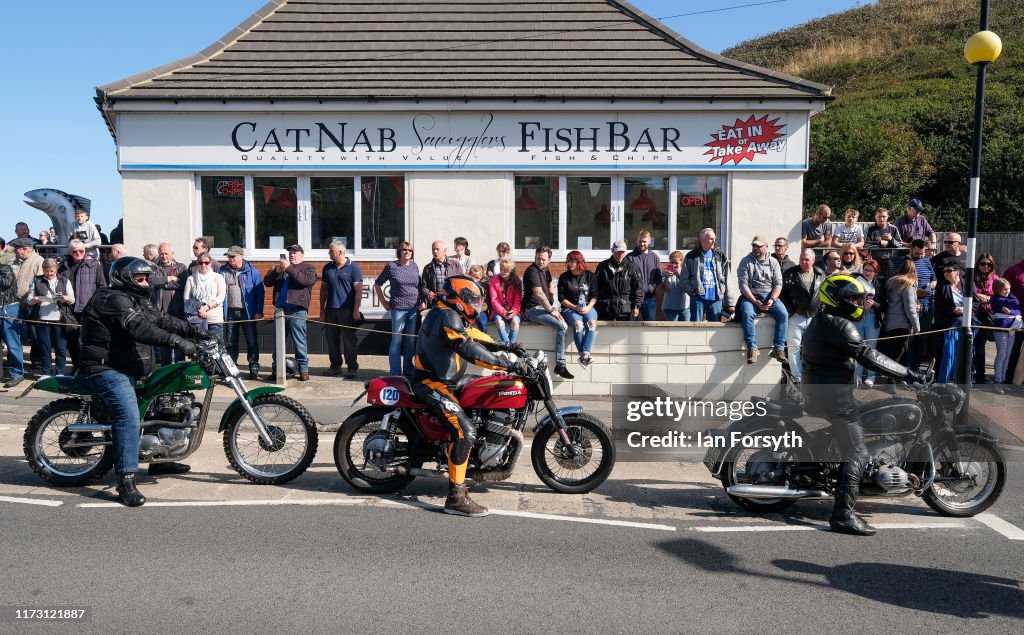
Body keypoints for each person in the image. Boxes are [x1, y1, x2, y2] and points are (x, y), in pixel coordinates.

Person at [802, 274, 926, 535]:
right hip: (835, 397)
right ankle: (843, 515)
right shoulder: (841, 326)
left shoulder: (821, 320)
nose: (860, 303)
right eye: (855, 299)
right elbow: (869, 356)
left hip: (821, 391)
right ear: (838, 300)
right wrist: (910, 374)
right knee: (857, 452)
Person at [79, 257, 204, 506]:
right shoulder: (112, 299)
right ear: (125, 279)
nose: (146, 283)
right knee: (128, 417)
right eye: (140, 279)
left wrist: (197, 331)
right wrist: (178, 342)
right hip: (107, 368)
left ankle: (159, 461)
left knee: (167, 396)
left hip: (129, 367)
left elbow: (162, 319)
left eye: (147, 278)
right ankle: (125, 480)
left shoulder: (136, 299)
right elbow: (139, 328)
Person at [410, 275, 524, 517]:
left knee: (487, 391)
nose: (475, 305)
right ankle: (455, 497)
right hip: (433, 383)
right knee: (465, 431)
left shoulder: (451, 314)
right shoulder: (446, 316)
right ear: (459, 300)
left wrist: (505, 345)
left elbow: (473, 335)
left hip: (450, 380)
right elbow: (468, 348)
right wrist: (502, 362)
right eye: (472, 300)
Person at [264, 244, 317, 381]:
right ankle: (277, 368)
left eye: (295, 252)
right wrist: (277, 270)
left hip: (297, 310)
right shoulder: (282, 269)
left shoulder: (308, 268)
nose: (292, 255)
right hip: (281, 310)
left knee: (299, 340)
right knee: (278, 342)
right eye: (290, 253)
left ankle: (303, 369)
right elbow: (267, 282)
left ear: (302, 255)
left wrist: (288, 268)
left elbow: (303, 281)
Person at [522, 246, 572, 379]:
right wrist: (551, 310)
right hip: (531, 309)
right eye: (538, 258)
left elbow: (551, 287)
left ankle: (560, 365)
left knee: (563, 324)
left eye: (543, 259)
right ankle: (560, 365)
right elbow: (538, 293)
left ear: (549, 260)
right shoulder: (531, 271)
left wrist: (554, 306)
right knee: (562, 326)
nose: (540, 261)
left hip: (544, 307)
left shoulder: (546, 270)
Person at [737, 235, 788, 364]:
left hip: (769, 296)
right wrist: (755, 301)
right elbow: (743, 285)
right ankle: (752, 348)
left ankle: (779, 348)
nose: (756, 248)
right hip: (751, 297)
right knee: (747, 312)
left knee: (783, 314)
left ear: (766, 246)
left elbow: (778, 284)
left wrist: (772, 299)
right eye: (754, 245)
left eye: (759, 246)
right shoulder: (745, 261)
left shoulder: (773, 262)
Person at [58, 239, 106, 369]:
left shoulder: (94, 265)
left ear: (85, 251)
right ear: (70, 252)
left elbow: (102, 287)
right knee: (72, 341)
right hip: (69, 308)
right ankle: (76, 366)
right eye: (75, 251)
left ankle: (88, 366)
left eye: (81, 251)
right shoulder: (63, 266)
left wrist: (96, 306)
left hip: (87, 308)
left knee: (88, 340)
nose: (78, 253)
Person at [375, 241, 420, 377]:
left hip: (413, 308)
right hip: (398, 309)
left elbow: (418, 285)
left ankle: (408, 369)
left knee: (410, 340)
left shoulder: (414, 266)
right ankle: (395, 373)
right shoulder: (392, 266)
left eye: (410, 250)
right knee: (397, 340)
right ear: (399, 252)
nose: (407, 252)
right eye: (404, 250)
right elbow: (378, 284)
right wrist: (384, 302)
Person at [780, 248, 825, 383]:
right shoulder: (789, 274)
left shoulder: (820, 274)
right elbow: (782, 295)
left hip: (814, 317)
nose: (803, 262)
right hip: (796, 316)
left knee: (813, 348)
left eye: (806, 259)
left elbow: (824, 295)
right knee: (794, 349)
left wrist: (820, 312)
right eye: (801, 259)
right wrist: (789, 311)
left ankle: (812, 376)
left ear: (813, 260)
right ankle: (797, 378)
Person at [219, 246, 264, 380]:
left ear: (241, 256)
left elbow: (260, 293)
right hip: (230, 312)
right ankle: (232, 370)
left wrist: (258, 311)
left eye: (233, 256)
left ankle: (254, 367)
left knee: (252, 342)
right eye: (229, 256)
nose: (230, 259)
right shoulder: (222, 270)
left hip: (247, 312)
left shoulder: (252, 271)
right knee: (231, 343)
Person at [321, 241, 363, 378]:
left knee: (349, 340)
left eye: (331, 251)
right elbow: (323, 290)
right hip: (331, 310)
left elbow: (358, 291)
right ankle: (335, 366)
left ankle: (352, 367)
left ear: (340, 252)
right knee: (332, 340)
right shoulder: (327, 268)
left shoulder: (354, 268)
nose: (328, 253)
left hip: (347, 310)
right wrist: (322, 310)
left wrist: (356, 310)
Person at [26, 258, 74, 377]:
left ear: (56, 270)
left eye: (52, 271)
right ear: (43, 270)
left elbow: (73, 299)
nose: (49, 274)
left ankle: (60, 373)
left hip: (60, 319)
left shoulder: (64, 280)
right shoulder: (37, 280)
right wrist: (34, 300)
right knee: (44, 347)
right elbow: (28, 300)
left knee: (61, 348)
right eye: (46, 271)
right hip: (43, 319)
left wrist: (66, 298)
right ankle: (46, 372)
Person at [11, 238, 44, 384]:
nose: (14, 250)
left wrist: (27, 301)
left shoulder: (38, 260)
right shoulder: (15, 261)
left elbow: (41, 283)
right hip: (16, 303)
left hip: (33, 304)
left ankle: (39, 361)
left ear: (25, 248)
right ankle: (22, 361)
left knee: (36, 334)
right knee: (18, 333)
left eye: (17, 248)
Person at [683, 228, 733, 322]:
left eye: (714, 238)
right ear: (702, 240)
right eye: (711, 238)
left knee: (714, 329)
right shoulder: (691, 256)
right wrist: (693, 293)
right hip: (698, 298)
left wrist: (730, 301)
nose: (714, 240)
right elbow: (684, 279)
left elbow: (727, 279)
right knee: (696, 328)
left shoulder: (720, 256)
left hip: (716, 298)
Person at [558, 251, 598, 368]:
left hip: (587, 306)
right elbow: (561, 298)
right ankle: (584, 355)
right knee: (578, 324)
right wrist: (574, 307)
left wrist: (588, 307)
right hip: (570, 308)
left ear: (578, 261)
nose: (569, 263)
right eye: (568, 261)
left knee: (591, 323)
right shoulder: (564, 277)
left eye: (572, 261)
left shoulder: (590, 276)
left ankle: (585, 353)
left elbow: (595, 295)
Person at [877, 259, 920, 367]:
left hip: (890, 322)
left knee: (892, 353)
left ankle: (892, 377)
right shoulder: (908, 285)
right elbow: (910, 308)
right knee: (899, 354)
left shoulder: (892, 282)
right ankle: (893, 379)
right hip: (902, 324)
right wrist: (916, 327)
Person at [903, 239, 936, 371]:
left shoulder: (927, 261)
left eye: (923, 253)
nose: (921, 256)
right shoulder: (902, 262)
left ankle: (915, 367)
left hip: (928, 304)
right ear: (911, 249)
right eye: (917, 253)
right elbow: (896, 282)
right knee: (909, 339)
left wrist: (932, 285)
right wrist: (915, 293)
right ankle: (905, 368)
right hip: (912, 305)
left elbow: (934, 278)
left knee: (922, 339)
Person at [854, 259, 885, 386]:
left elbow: (885, 305)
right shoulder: (857, 281)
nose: (867, 273)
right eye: (865, 270)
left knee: (871, 347)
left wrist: (874, 304)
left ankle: (871, 376)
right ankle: (858, 376)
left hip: (873, 317)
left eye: (870, 271)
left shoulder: (880, 285)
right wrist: (857, 302)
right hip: (858, 316)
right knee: (858, 347)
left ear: (875, 272)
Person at [933, 266, 965, 384]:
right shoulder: (942, 286)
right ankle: (943, 380)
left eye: (949, 271)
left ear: (957, 272)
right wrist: (953, 310)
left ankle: (960, 377)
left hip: (965, 322)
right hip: (948, 323)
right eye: (944, 271)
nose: (945, 273)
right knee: (947, 352)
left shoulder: (967, 283)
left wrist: (966, 309)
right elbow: (939, 305)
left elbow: (975, 301)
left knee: (963, 352)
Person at [596, 240, 642, 322]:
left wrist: (636, 306)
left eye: (622, 252)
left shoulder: (632, 267)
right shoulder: (602, 266)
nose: (620, 255)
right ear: (612, 251)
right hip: (606, 309)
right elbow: (596, 288)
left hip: (625, 309)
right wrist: (596, 305)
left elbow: (638, 289)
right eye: (618, 252)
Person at [183, 253, 226, 337]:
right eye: (201, 262)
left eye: (206, 263)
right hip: (196, 319)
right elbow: (186, 299)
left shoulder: (218, 277)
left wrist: (205, 308)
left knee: (215, 346)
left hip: (214, 319)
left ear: (210, 263)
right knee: (200, 347)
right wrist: (199, 310)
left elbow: (220, 297)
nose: (203, 265)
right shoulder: (191, 279)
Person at [990, 278, 1022, 394]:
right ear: (998, 290)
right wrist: (1010, 306)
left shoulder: (1009, 296)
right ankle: (997, 381)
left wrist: (1010, 312)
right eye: (1004, 290)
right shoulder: (995, 299)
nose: (1007, 292)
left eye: (1008, 289)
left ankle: (1002, 380)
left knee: (1008, 355)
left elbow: (1018, 308)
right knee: (1002, 354)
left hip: (1011, 329)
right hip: (1001, 330)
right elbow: (1005, 303)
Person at [972, 253, 998, 384]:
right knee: (974, 346)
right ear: (978, 264)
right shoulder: (971, 277)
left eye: (989, 264)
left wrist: (990, 298)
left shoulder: (995, 278)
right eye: (983, 263)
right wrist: (978, 296)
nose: (986, 266)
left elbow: (1001, 294)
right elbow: (967, 292)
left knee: (982, 347)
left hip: (988, 316)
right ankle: (974, 374)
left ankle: (981, 375)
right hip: (974, 315)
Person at [626, 230, 662, 321]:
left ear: (649, 242)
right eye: (640, 241)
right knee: (631, 327)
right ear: (637, 241)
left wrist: (651, 287)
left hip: (649, 298)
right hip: (632, 299)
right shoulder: (629, 257)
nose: (642, 244)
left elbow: (658, 277)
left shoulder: (655, 257)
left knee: (650, 327)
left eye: (644, 241)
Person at [0, 258, 24, 387]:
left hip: (8, 309)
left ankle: (17, 374)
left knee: (13, 344)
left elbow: (6, 282)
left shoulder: (5, 268)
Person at [419, 240, 463, 307]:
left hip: (452, 304)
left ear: (445, 250)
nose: (435, 251)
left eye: (437, 249)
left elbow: (461, 284)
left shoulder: (455, 265)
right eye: (433, 249)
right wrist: (428, 293)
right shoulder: (428, 268)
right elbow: (423, 286)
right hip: (435, 304)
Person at [1002, 256, 1024, 385]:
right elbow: (1001, 291)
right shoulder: (1013, 271)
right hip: (1017, 317)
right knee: (1013, 349)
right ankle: (1009, 377)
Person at [488, 258, 522, 344]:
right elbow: (494, 300)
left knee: (515, 322)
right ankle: (510, 350)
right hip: (498, 311)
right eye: (501, 269)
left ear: (511, 271)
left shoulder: (516, 281)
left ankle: (507, 351)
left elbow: (517, 300)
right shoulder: (494, 280)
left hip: (513, 310)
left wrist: (513, 311)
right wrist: (503, 312)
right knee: (499, 322)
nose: (502, 271)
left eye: (505, 270)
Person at [661, 250, 690, 321]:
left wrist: (679, 276)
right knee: (672, 330)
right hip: (669, 307)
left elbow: (687, 288)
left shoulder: (686, 273)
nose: (674, 265)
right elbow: (665, 289)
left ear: (681, 263)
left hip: (685, 307)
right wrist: (667, 278)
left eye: (676, 263)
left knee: (685, 329)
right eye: (672, 262)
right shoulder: (665, 273)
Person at [466, 264, 490, 333]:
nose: (474, 280)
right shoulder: (465, 285)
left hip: (481, 310)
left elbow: (487, 303)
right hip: (467, 310)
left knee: (481, 321)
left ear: (481, 277)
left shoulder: (484, 287)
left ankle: (484, 337)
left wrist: (478, 309)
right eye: (472, 277)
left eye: (477, 278)